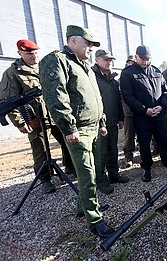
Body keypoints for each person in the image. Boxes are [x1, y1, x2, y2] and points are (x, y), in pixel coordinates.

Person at [39, 25, 114, 238]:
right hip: (78, 130)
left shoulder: (84, 65)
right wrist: (68, 127)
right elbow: (56, 96)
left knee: (94, 168)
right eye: (88, 43)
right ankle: (95, 220)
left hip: (92, 127)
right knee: (87, 174)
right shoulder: (57, 60)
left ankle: (85, 208)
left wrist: (101, 121)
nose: (91, 48)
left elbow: (94, 97)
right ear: (73, 40)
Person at [0, 39, 74, 194]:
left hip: (55, 113)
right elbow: (8, 101)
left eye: (35, 53)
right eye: (29, 54)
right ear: (20, 53)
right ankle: (45, 179)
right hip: (35, 118)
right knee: (40, 150)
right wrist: (20, 122)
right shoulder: (13, 73)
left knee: (68, 141)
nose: (33, 56)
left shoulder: (44, 67)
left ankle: (69, 168)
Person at [120, 46, 167, 182]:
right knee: (144, 144)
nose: (145, 62)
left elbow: (165, 92)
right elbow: (127, 95)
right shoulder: (128, 73)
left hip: (158, 115)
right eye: (143, 59)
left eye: (148, 59)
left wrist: (161, 106)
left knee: (164, 141)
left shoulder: (157, 71)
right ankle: (147, 169)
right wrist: (143, 109)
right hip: (142, 116)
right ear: (136, 57)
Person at [93, 49, 129, 194]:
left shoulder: (113, 80)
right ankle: (101, 180)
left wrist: (120, 118)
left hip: (112, 121)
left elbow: (117, 101)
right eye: (105, 59)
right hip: (98, 123)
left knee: (112, 150)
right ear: (97, 60)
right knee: (101, 153)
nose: (108, 62)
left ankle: (113, 174)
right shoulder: (92, 77)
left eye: (110, 60)